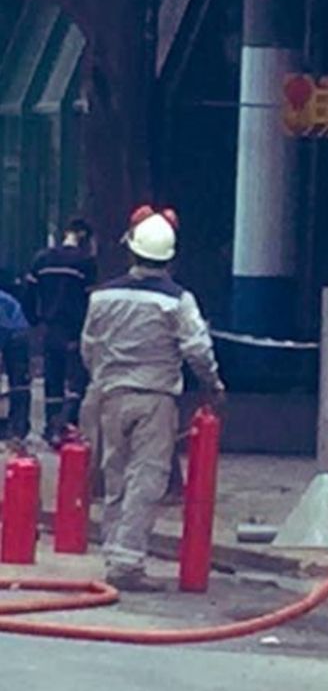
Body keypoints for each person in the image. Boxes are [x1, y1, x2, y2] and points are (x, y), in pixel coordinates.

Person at [81, 207, 224, 592]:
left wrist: (103, 377)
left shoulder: (102, 297)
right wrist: (213, 384)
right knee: (147, 478)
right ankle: (127, 564)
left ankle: (114, 552)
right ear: (171, 257)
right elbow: (197, 349)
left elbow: (89, 347)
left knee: (116, 475)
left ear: (132, 250)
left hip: (111, 394)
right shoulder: (178, 301)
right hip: (155, 397)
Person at [26, 218, 97, 446]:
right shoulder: (85, 263)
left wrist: (35, 320)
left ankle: (51, 425)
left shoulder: (42, 259)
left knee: (53, 377)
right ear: (85, 237)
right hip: (74, 329)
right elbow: (90, 300)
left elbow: (29, 295)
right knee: (77, 380)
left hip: (49, 327)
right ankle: (68, 425)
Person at [0, 276, 30, 447]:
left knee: (18, 382)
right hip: (9, 331)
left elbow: (3, 327)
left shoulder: (2, 302)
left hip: (16, 334)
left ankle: (19, 427)